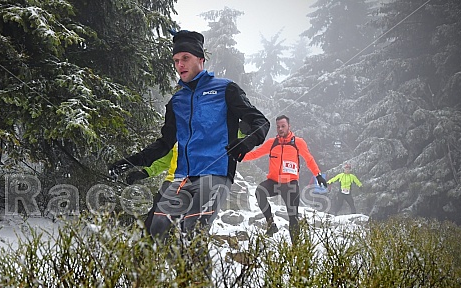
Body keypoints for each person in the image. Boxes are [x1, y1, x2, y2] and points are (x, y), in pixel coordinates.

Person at [108, 29, 270, 248]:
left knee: (192, 233)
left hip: (216, 174)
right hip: (183, 178)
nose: (180, 64)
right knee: (154, 231)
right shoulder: (177, 101)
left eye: (185, 58)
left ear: (201, 59)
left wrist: (247, 142)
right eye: (176, 60)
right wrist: (131, 161)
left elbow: (261, 122)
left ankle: (198, 282)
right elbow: (165, 144)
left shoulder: (225, 89)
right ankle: (153, 281)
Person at [242, 115, 327, 244]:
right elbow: (255, 154)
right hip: (274, 182)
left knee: (293, 217)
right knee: (260, 191)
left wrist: (318, 175)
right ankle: (271, 225)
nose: (280, 129)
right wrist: (237, 156)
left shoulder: (298, 142)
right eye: (278, 127)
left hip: (290, 184)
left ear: (289, 126)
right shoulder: (272, 143)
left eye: (283, 126)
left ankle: (296, 249)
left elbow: (309, 159)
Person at [125, 145, 177, 232]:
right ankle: (146, 242)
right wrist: (146, 172)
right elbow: (167, 158)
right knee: (153, 220)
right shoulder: (180, 134)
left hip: (196, 184)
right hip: (171, 182)